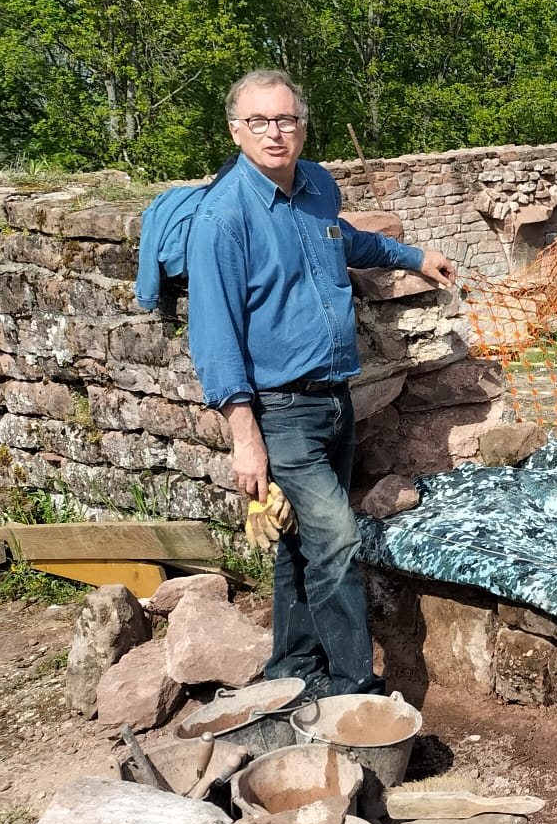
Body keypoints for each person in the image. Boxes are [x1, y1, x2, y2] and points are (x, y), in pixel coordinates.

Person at [186, 69, 457, 698]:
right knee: (336, 536)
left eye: (286, 119)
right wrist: (245, 439)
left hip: (334, 399)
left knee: (299, 541)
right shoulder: (223, 218)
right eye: (258, 121)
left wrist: (413, 256)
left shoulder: (316, 187)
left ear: (303, 127)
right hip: (279, 408)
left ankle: (292, 669)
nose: (274, 133)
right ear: (235, 130)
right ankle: (351, 690)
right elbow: (215, 335)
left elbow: (343, 241)